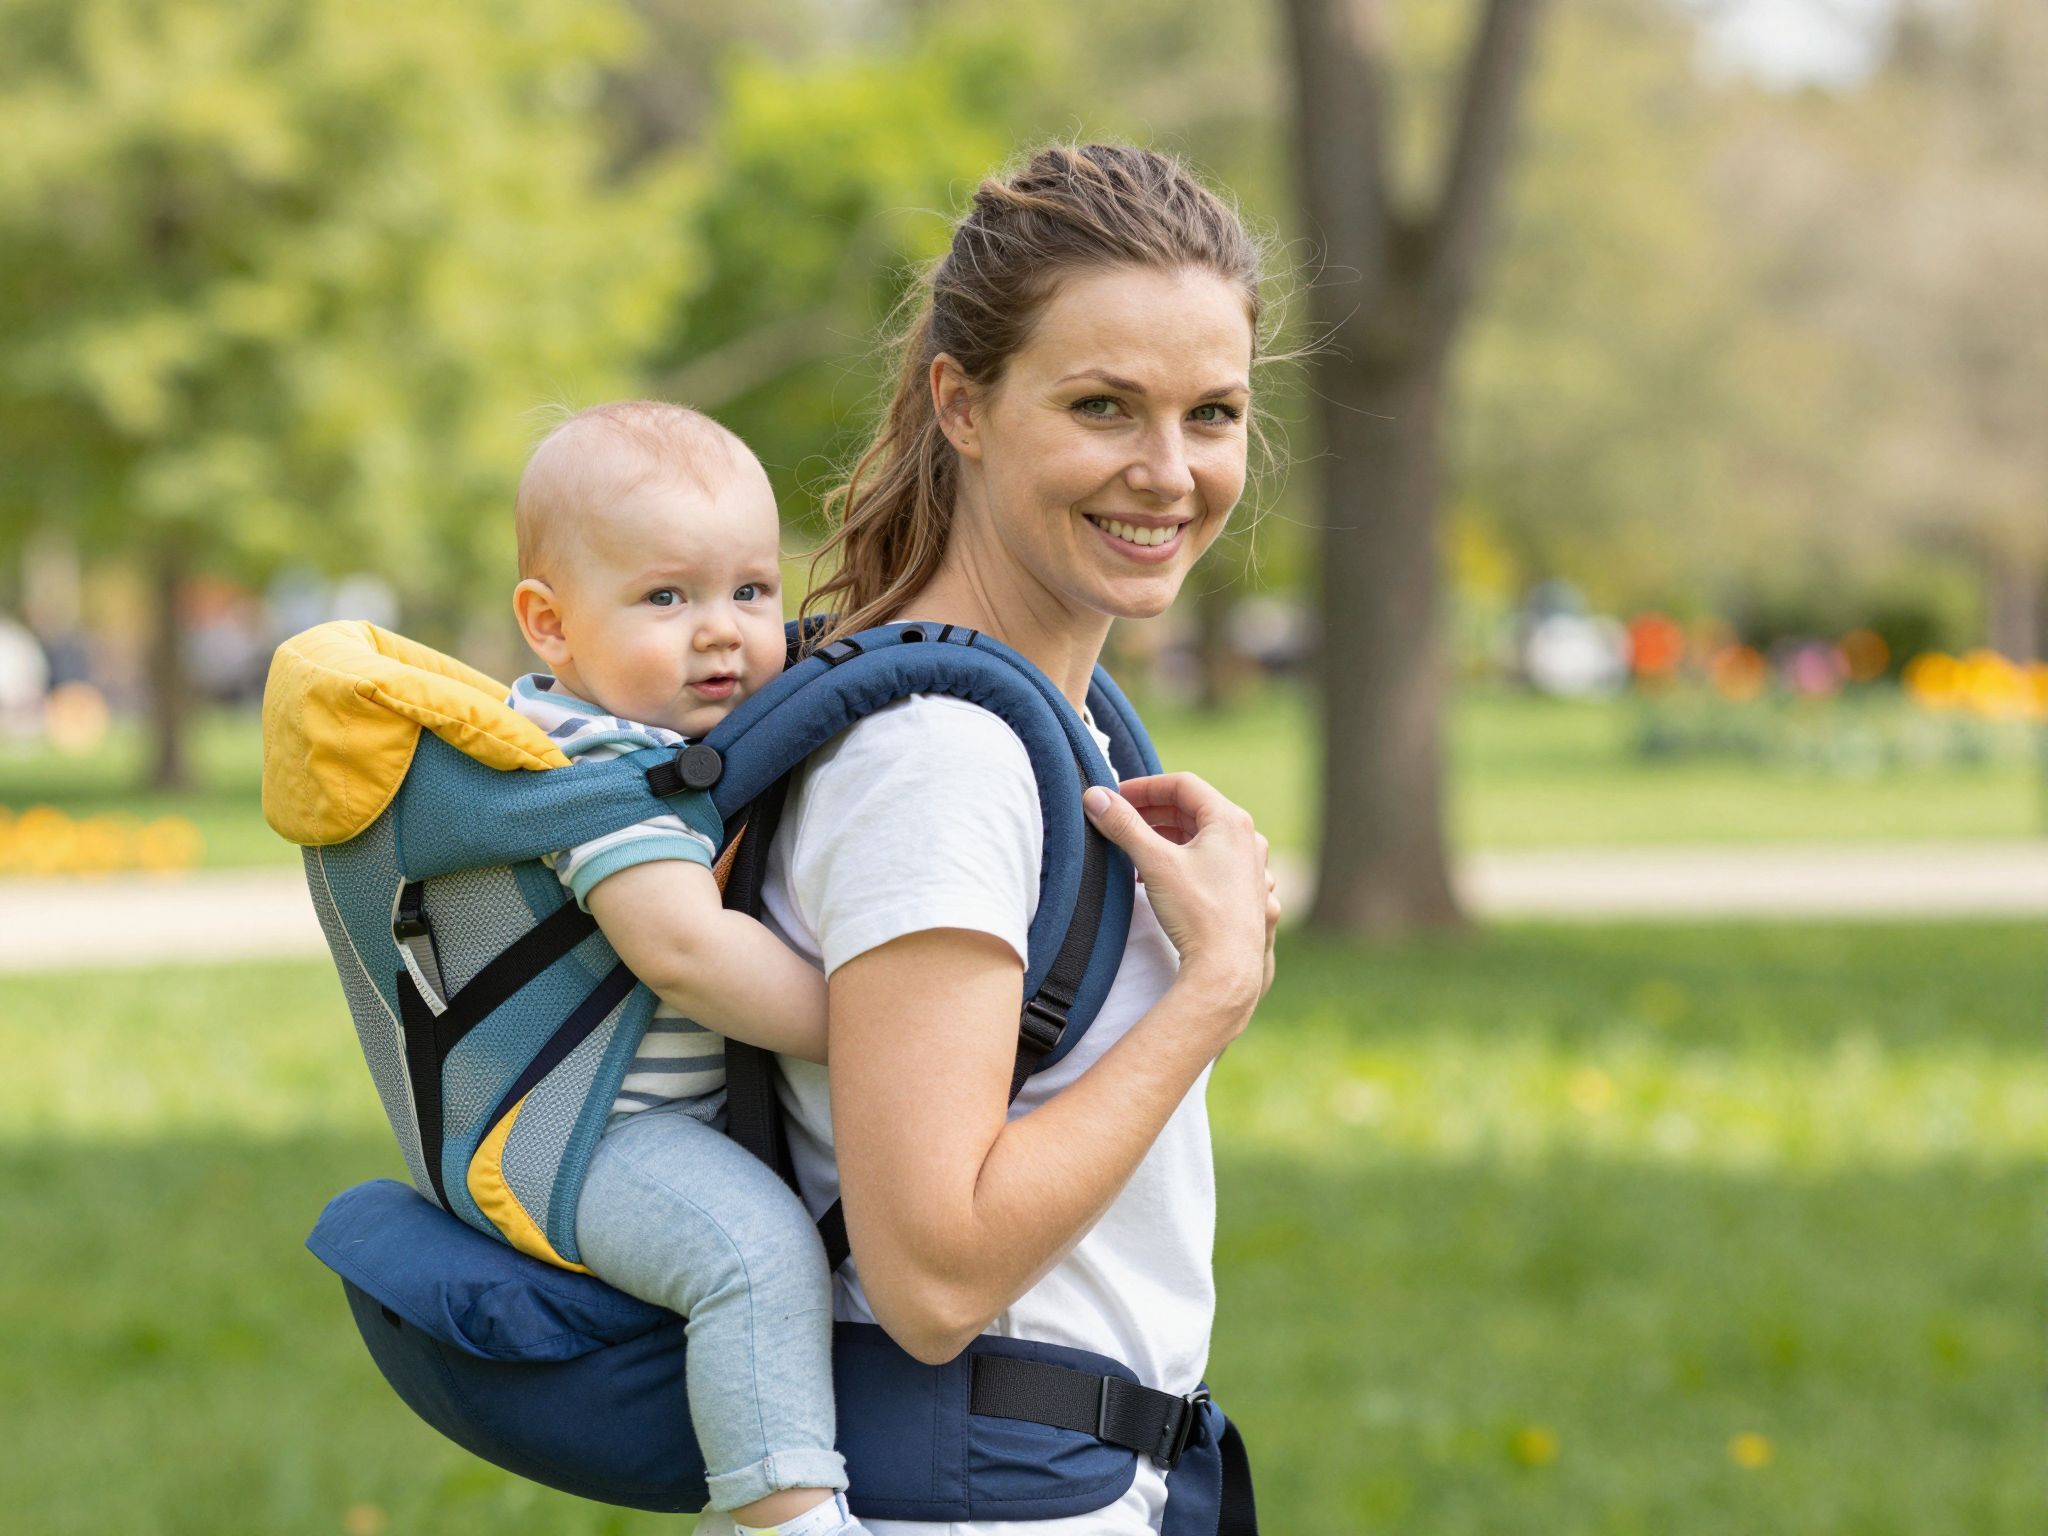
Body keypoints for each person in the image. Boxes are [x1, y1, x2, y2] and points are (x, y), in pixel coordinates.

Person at [748, 143, 1283, 1536]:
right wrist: (1215, 988)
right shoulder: (943, 755)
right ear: (962, 404)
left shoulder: (1051, 722)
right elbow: (933, 1277)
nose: (1169, 473)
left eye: (1212, 414)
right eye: (1103, 406)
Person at [506, 400, 873, 1536]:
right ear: (551, 626)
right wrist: (886, 1027)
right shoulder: (595, 766)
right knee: (749, 1253)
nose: (721, 631)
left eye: (749, 592)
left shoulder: (635, 735)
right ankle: (795, 1520)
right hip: (586, 1138)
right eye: (667, 597)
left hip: (628, 1121)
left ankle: (745, 1502)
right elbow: (683, 951)